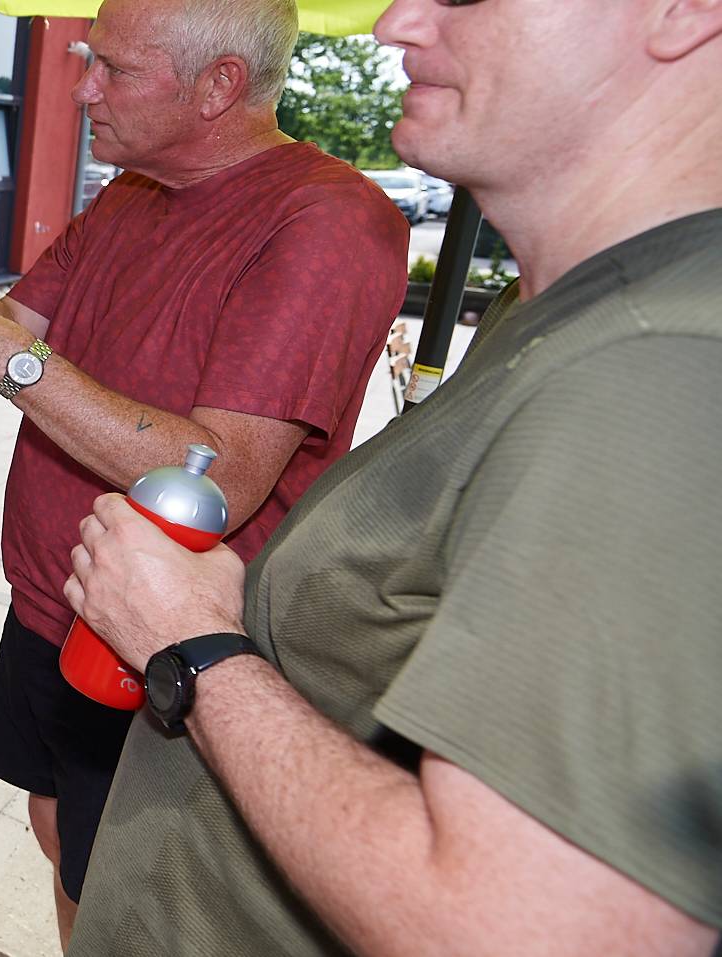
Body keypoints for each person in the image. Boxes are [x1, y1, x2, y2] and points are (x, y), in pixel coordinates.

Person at [59, 0, 722, 954]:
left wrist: (191, 644)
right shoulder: (567, 316)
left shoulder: (656, 371)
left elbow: (524, 932)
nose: (394, 23)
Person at [0, 0, 407, 943]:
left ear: (219, 85)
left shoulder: (328, 220)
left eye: (115, 70)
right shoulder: (132, 189)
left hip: (154, 642)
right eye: (88, 60)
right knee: (57, 826)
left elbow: (215, 477)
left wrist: (8, 362)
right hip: (53, 601)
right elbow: (15, 328)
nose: (84, 87)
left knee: (127, 884)